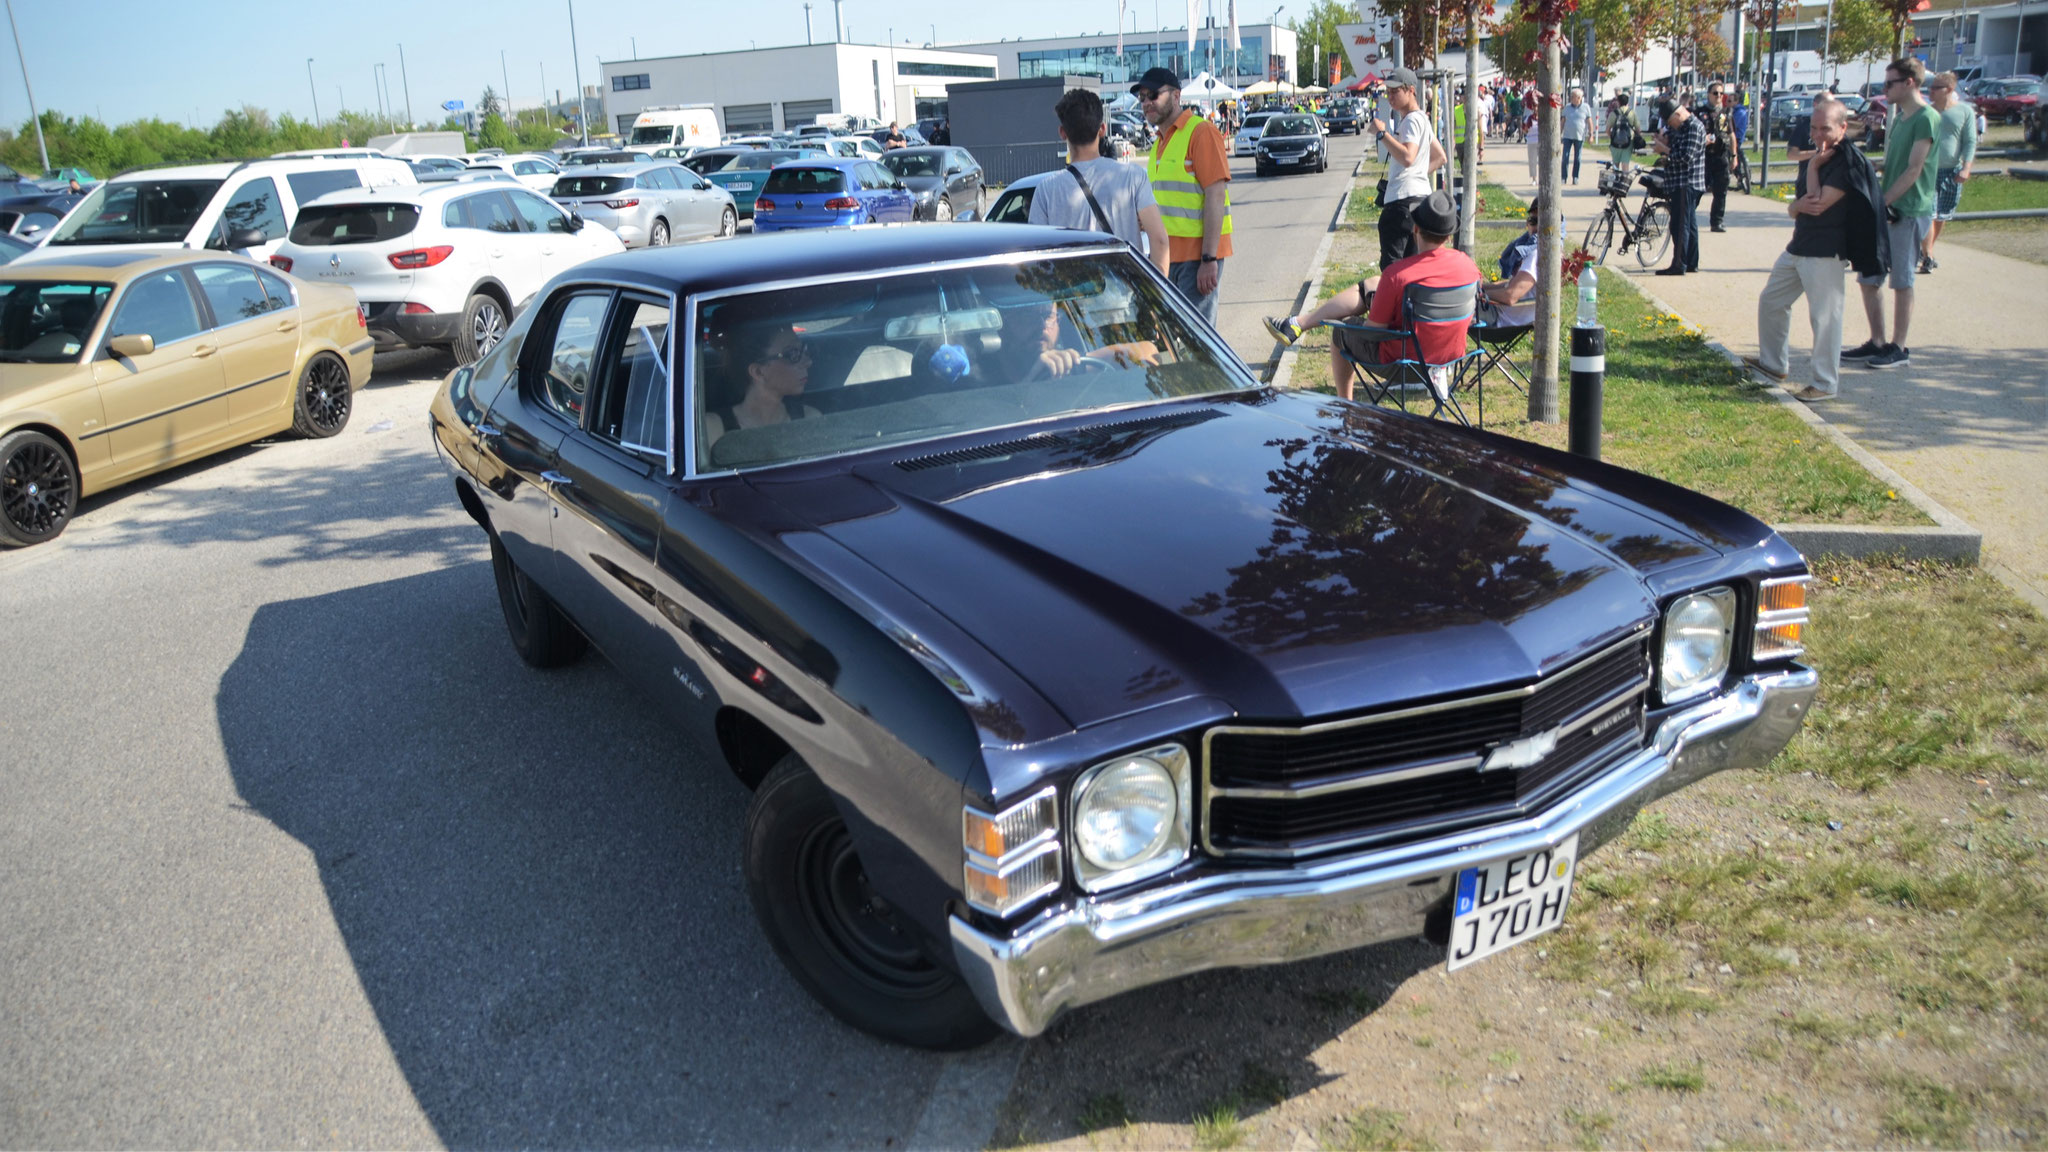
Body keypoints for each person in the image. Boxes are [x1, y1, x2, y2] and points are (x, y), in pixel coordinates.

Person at [1261, 190, 1480, 401]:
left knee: (1341, 331)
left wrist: (1360, 320)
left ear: (1415, 229)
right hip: (1449, 358)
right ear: (1449, 235)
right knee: (1371, 286)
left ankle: (1345, 404)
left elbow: (1374, 332)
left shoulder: (1399, 275)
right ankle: (1297, 324)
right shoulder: (1468, 267)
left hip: (1402, 362)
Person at [1745, 101, 1882, 402]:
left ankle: (1824, 383)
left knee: (1825, 318)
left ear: (1843, 128)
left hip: (1826, 251)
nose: (1818, 134)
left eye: (1826, 128)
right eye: (1814, 128)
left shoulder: (1848, 161)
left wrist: (1814, 172)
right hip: (1800, 245)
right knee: (1772, 301)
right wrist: (1799, 200)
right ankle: (1773, 364)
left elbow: (1816, 203)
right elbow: (1798, 208)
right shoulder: (1817, 157)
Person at [1845, 57, 1937, 370]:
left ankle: (1898, 347)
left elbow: (1914, 169)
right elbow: (1895, 163)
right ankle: (1878, 341)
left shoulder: (1926, 118)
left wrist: (1882, 202)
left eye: (1890, 83)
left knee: (1902, 281)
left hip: (1909, 209)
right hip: (1887, 207)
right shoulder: (1899, 118)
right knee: (1869, 276)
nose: (1885, 90)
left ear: (1909, 82)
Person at [1029, 88, 1170, 276]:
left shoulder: (1046, 190)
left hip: (1073, 300)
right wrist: (1155, 295)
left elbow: (1037, 257)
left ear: (1063, 133)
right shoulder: (1133, 176)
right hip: (1126, 294)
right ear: (1102, 129)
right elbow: (1160, 240)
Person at [1134, 66, 1233, 322]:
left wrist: (1209, 258)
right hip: (1167, 257)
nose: (1146, 103)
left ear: (1176, 96)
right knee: (1178, 340)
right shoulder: (1159, 143)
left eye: (1153, 95)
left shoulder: (1201, 132)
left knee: (1198, 340)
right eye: (1142, 98)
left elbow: (1215, 195)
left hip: (1197, 257)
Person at [1368, 67, 1445, 274]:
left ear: (1411, 90)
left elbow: (1408, 157)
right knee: (1414, 266)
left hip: (1401, 203)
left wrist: (1382, 133)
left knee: (1393, 270)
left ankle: (1394, 306)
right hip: (1420, 200)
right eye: (1388, 92)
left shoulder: (1411, 120)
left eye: (1395, 91)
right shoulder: (1422, 119)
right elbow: (1440, 156)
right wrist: (1417, 175)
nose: (1390, 96)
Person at [704, 321, 821, 448]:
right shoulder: (712, 431)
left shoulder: (810, 419)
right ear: (758, 372)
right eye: (792, 354)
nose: (808, 362)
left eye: (804, 350)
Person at [992, 300, 1159, 384]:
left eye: (1049, 316)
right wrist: (1029, 383)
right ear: (1003, 325)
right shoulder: (978, 379)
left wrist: (1077, 361)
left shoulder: (1067, 364)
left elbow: (1147, 350)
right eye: (1028, 316)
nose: (1042, 326)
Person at [1921, 71, 1977, 273]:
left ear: (1950, 90)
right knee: (1929, 212)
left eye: (1936, 88)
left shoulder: (1964, 111)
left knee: (1942, 215)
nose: (1931, 91)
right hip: (1927, 170)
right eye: (1930, 87)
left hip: (1951, 170)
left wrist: (1966, 168)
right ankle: (1927, 256)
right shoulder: (1927, 112)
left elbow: (1970, 141)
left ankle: (1928, 250)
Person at [1650, 97, 1705, 275]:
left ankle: (1679, 264)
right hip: (1679, 182)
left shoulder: (1694, 127)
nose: (1670, 126)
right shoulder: (1681, 128)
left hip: (1687, 182)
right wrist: (1663, 141)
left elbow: (1686, 157)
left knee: (1680, 226)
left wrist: (1664, 150)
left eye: (1670, 121)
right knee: (1689, 225)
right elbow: (1672, 143)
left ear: (1679, 114)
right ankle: (1690, 262)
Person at [1478, 201, 1545, 326]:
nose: (1537, 227)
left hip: (1503, 320)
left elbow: (1510, 296)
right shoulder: (1545, 250)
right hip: (1511, 316)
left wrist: (1476, 294)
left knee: (1451, 306)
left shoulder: (1536, 254)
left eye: (1544, 222)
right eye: (1533, 221)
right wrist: (1478, 288)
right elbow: (1511, 284)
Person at [1699, 82, 1735, 231]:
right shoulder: (1700, 113)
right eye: (1715, 93)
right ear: (1709, 94)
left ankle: (1717, 222)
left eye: (1721, 93)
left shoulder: (1725, 113)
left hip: (1721, 156)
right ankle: (1686, 217)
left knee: (1721, 191)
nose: (1718, 96)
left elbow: (1731, 135)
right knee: (1698, 189)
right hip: (1704, 156)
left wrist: (1734, 156)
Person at [1561, 87, 1592, 184]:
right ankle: (1563, 177)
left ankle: (1575, 177)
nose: (1571, 98)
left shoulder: (1586, 107)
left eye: (1573, 97)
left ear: (1579, 98)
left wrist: (1591, 135)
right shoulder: (1567, 107)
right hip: (1567, 136)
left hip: (1579, 136)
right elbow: (1562, 121)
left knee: (1577, 158)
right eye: (1571, 96)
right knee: (1565, 157)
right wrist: (1559, 134)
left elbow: (1589, 122)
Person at [1607, 93, 1639, 169]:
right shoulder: (1632, 113)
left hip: (1615, 142)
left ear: (1618, 102)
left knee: (1615, 165)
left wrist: (1612, 137)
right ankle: (1624, 179)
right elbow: (1638, 129)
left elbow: (1607, 129)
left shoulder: (1613, 113)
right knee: (1625, 164)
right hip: (1628, 141)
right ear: (1627, 102)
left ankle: (1616, 179)